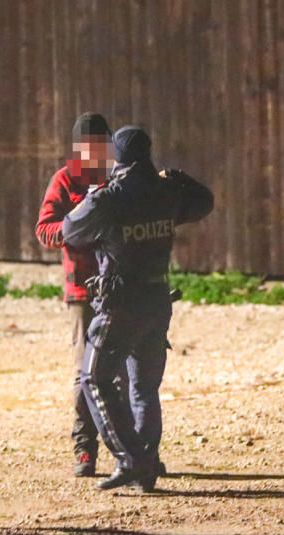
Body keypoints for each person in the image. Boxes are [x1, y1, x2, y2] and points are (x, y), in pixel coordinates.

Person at [62, 125, 213, 491]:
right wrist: (176, 177)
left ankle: (132, 459)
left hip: (120, 303)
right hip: (158, 301)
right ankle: (146, 465)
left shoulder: (109, 198)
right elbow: (204, 201)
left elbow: (70, 230)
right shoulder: (166, 192)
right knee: (144, 387)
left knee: (95, 378)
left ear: (118, 157)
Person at [36, 112, 114, 477]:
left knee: (122, 372)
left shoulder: (119, 177)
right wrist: (75, 228)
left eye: (102, 146)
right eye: (90, 147)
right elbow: (44, 229)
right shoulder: (65, 180)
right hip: (82, 290)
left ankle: (129, 449)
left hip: (118, 287)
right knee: (86, 372)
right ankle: (85, 449)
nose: (96, 154)